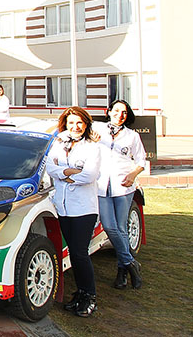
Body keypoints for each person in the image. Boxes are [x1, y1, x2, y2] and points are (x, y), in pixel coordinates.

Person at [45, 106, 101, 317]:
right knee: (74, 255)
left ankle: (90, 296)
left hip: (83, 208)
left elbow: (89, 175)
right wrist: (70, 172)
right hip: (63, 207)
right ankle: (80, 293)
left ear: (86, 124)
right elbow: (51, 168)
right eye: (71, 123)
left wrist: (64, 174)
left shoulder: (92, 147)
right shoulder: (59, 143)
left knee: (80, 253)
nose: (75, 127)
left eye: (79, 123)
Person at [95, 99, 145, 290]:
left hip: (123, 186)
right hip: (101, 185)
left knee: (121, 228)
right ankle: (131, 262)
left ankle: (122, 271)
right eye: (116, 111)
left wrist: (133, 175)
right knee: (109, 226)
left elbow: (141, 160)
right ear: (109, 111)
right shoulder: (97, 128)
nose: (120, 115)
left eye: (124, 112)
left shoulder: (132, 136)